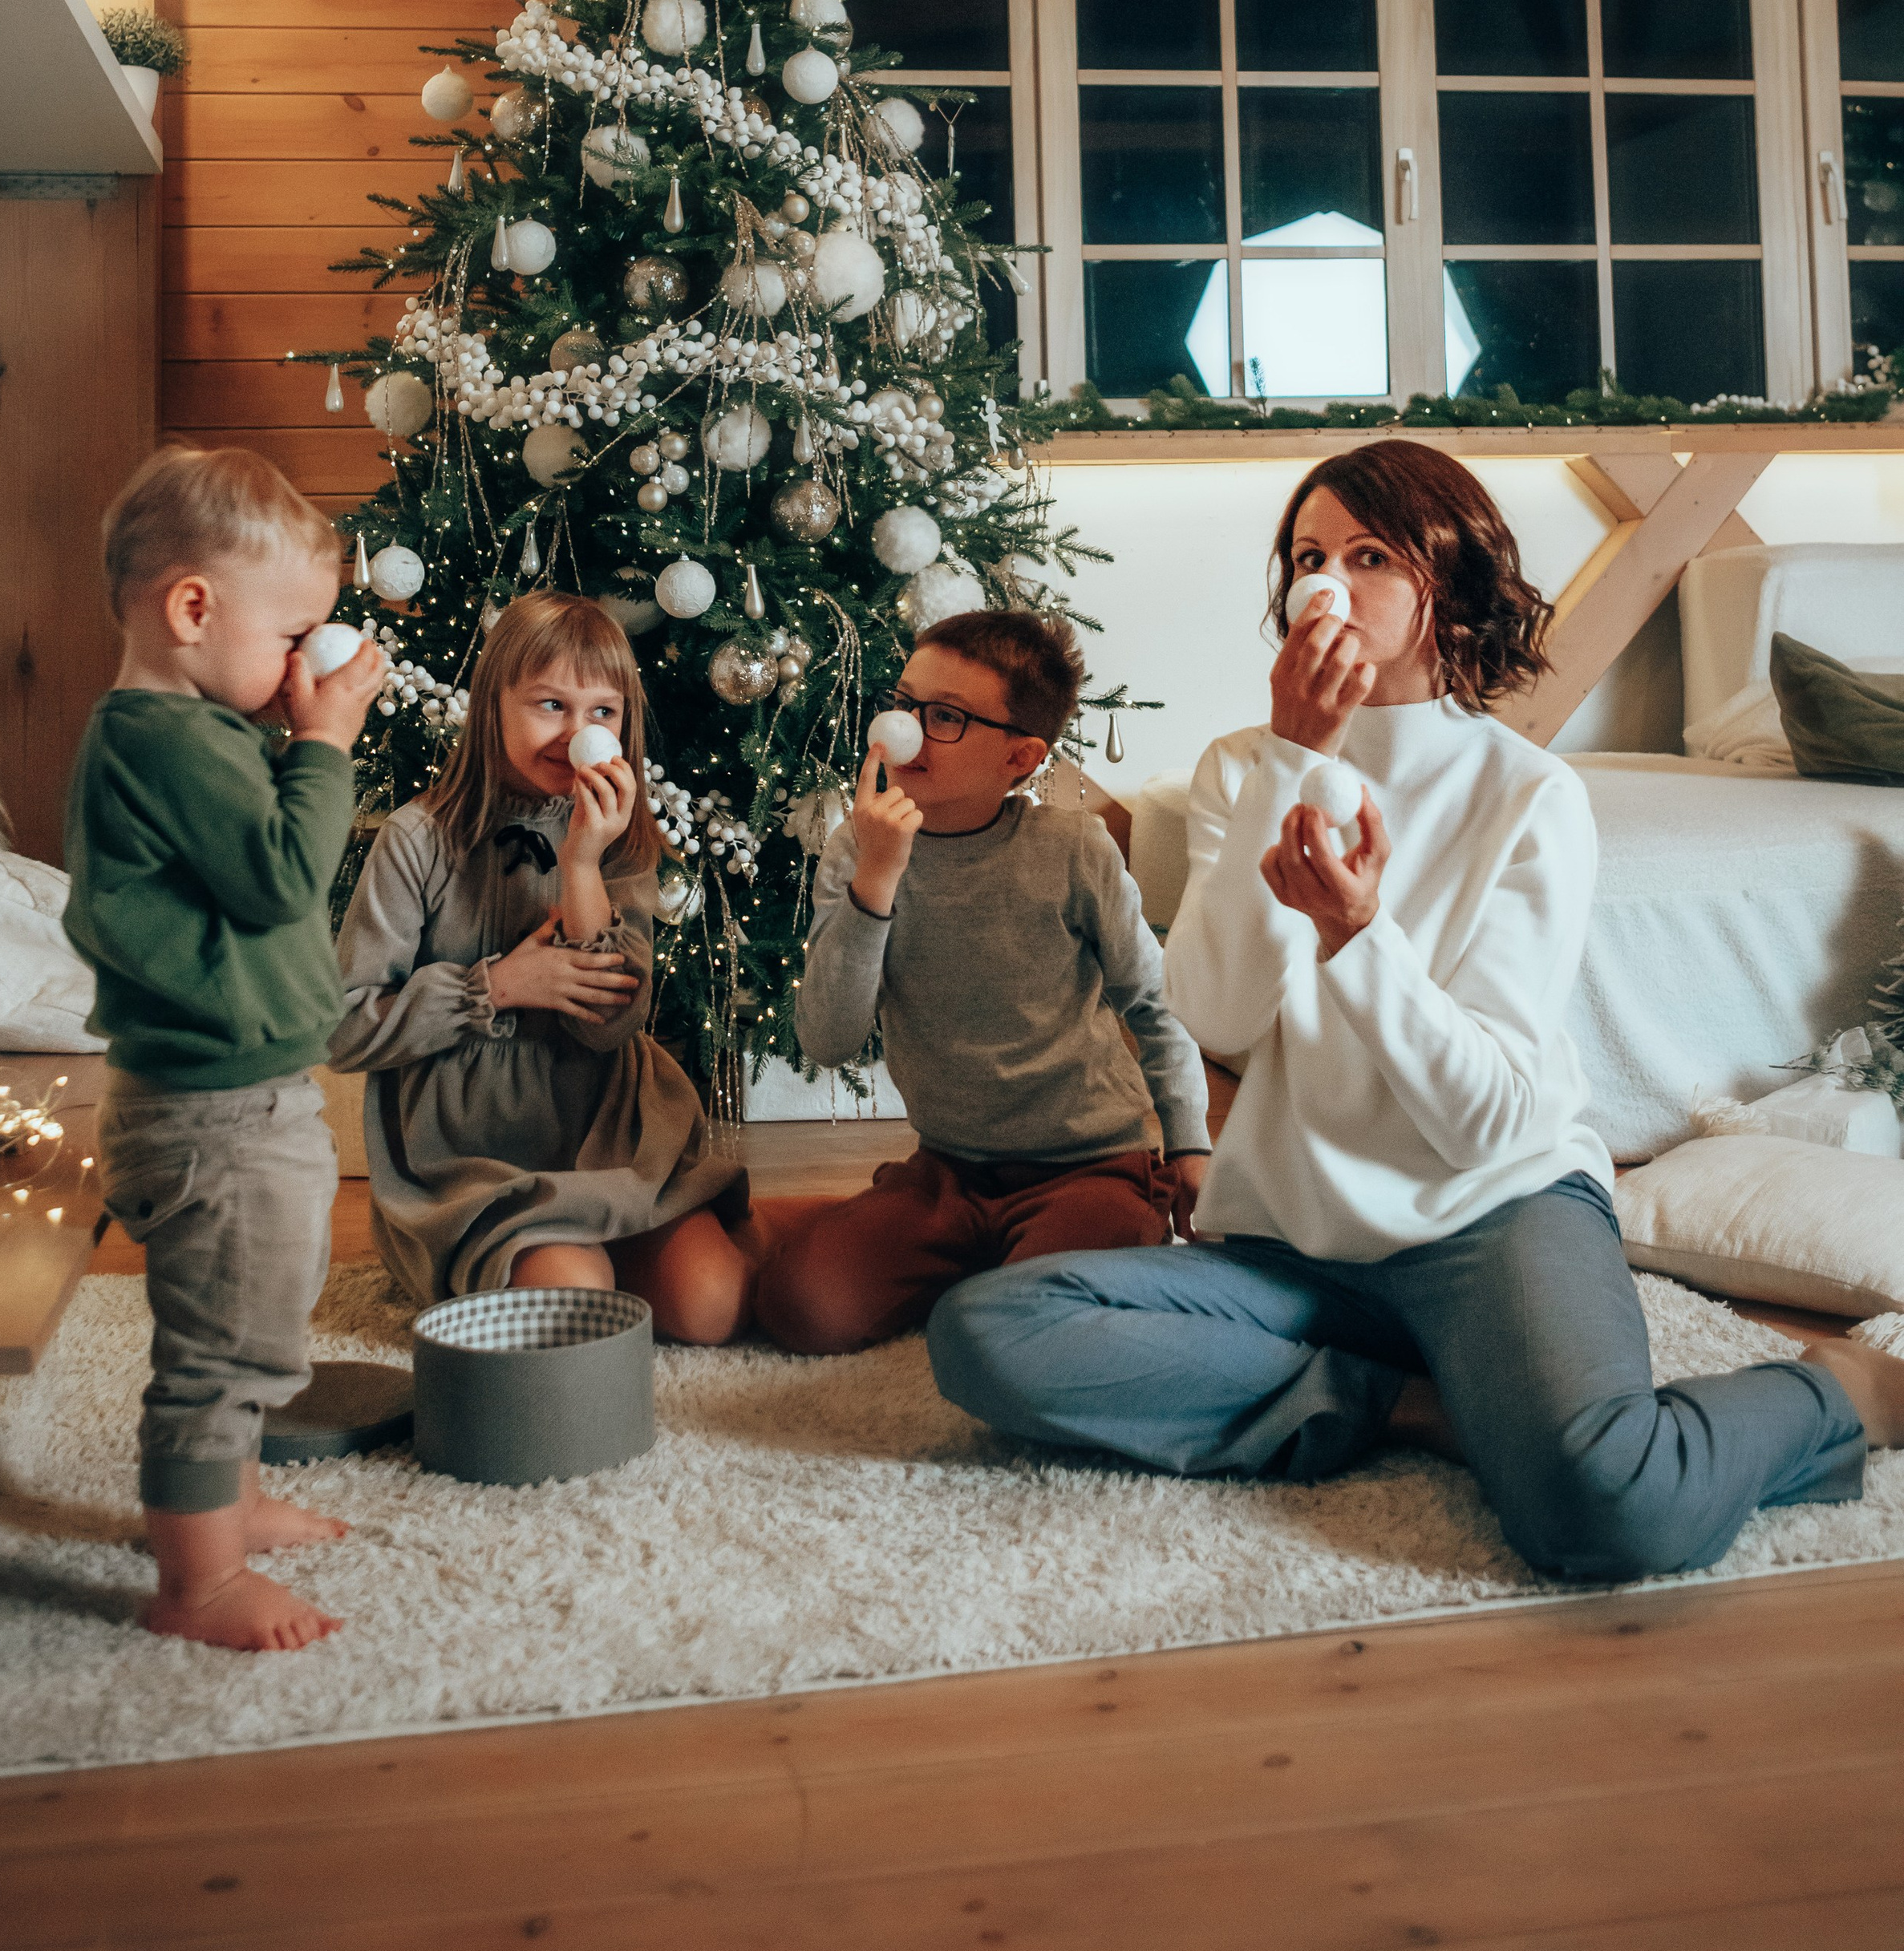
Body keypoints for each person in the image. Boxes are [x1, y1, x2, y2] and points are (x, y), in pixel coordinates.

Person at [929, 443, 1904, 1581]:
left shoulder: (1530, 796)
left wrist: (1357, 939)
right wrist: (1297, 758)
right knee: (988, 1332)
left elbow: (1485, 1122)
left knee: (1611, 1508)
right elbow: (1216, 1013)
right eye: (1308, 556)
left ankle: (1837, 1393)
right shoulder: (1247, 769)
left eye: (1368, 554)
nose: (1325, 583)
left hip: (1495, 1216)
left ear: (1449, 580)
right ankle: (1412, 1409)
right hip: (1299, 1245)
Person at [63, 446, 387, 1653]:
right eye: (294, 630)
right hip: (210, 1115)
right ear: (193, 609)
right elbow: (280, 876)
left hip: (236, 1098)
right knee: (216, 1349)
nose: (310, 658)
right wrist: (326, 742)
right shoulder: (168, 741)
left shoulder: (183, 732)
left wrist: (284, 728)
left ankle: (231, 1502)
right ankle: (194, 1583)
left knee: (257, 1319)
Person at [756, 609, 1212, 1357]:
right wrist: (878, 879)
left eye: (944, 717)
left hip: (1089, 1164)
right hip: (950, 1169)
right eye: (903, 703)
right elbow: (828, 1040)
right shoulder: (856, 849)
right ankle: (952, 1243)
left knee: (1033, 1326)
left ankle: (1099, 1233)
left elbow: (1155, 1007)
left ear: (1020, 757)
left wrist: (1190, 1146)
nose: (902, 730)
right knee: (803, 1308)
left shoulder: (1073, 849)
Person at [330, 591, 754, 1338]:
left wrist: (584, 862)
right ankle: (538, 1252)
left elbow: (608, 1027)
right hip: (471, 1160)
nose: (578, 735)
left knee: (711, 1307)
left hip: (606, 1133)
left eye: (603, 713)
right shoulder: (417, 840)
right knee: (571, 1306)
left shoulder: (618, 838)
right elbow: (343, 1027)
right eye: (551, 705)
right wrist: (492, 987)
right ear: (493, 704)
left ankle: (643, 1235)